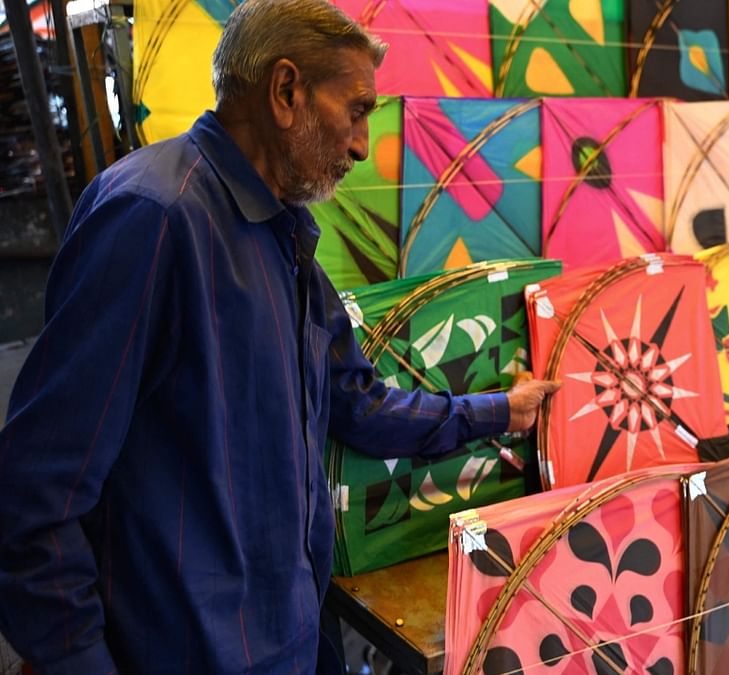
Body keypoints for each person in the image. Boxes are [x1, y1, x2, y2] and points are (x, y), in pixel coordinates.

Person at [0, 0, 559, 672]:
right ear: (287, 91)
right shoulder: (152, 218)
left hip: (288, 641)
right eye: (356, 110)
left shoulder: (286, 240)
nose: (360, 142)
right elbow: (34, 497)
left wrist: (501, 410)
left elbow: (361, 403)